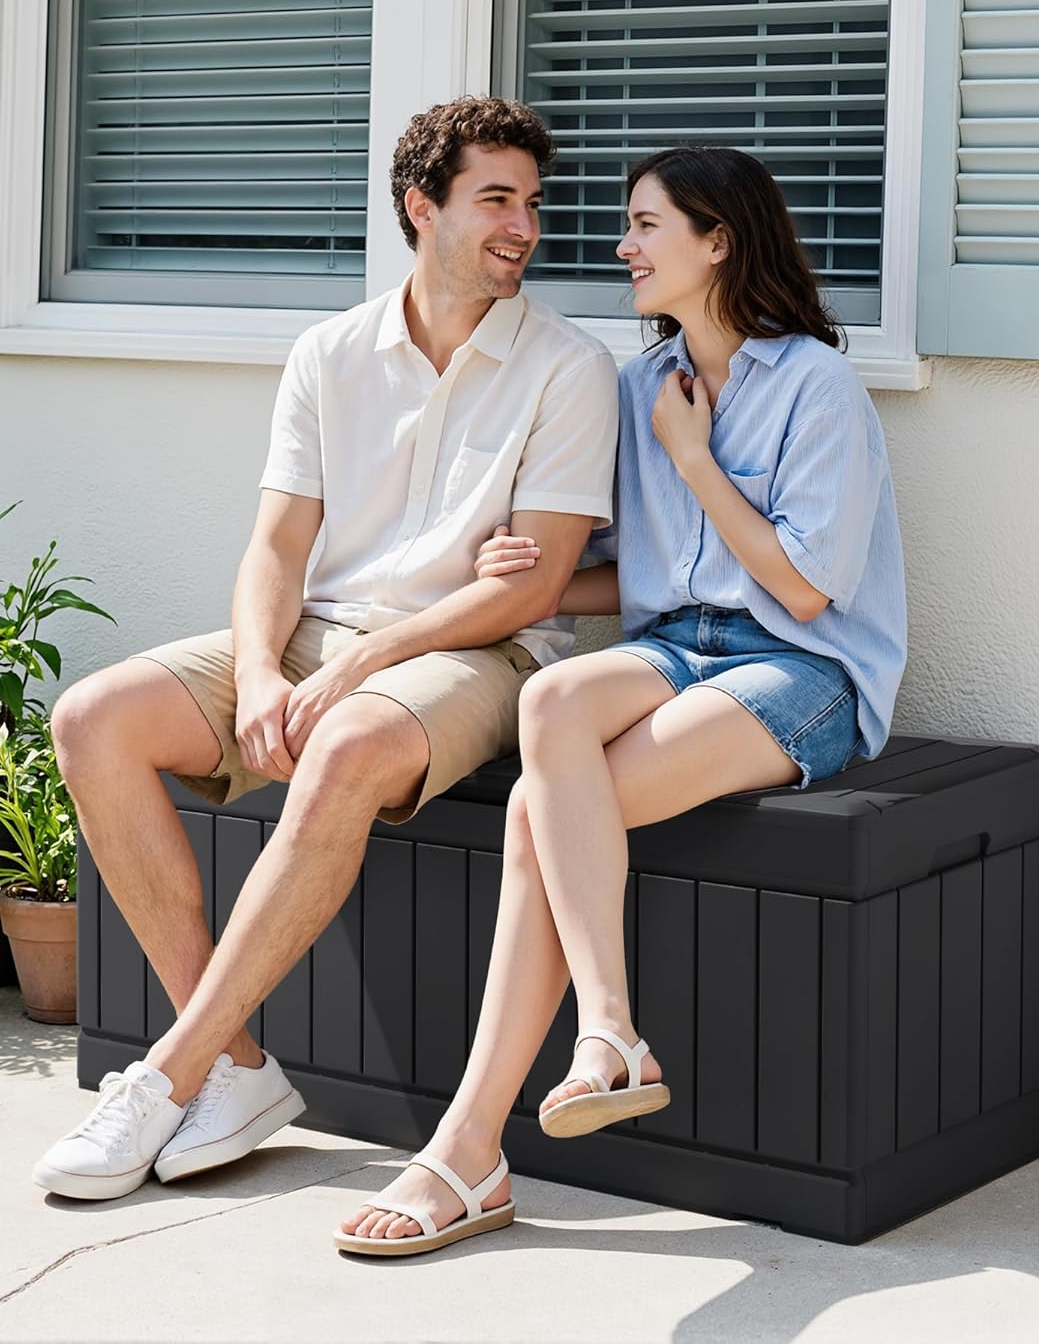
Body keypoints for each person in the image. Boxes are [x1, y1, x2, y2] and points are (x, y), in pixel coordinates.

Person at [33, 97, 618, 1202]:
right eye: (495, 200)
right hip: (319, 635)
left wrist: (361, 659)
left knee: (344, 744)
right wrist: (260, 667)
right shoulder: (330, 354)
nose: (522, 227)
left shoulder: (569, 369)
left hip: (483, 655)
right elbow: (277, 545)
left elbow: (536, 586)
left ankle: (170, 1072)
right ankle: (242, 1066)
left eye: (532, 204)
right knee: (92, 719)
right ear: (421, 207)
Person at [335, 145, 906, 1256]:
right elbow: (635, 572)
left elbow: (797, 584)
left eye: (646, 227)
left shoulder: (815, 386)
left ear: (720, 241)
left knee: (535, 814)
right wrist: (515, 577)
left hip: (800, 671)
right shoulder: (638, 384)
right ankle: (605, 1032)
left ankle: (469, 1148)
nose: (620, 247)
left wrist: (694, 460)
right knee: (553, 709)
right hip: (675, 649)